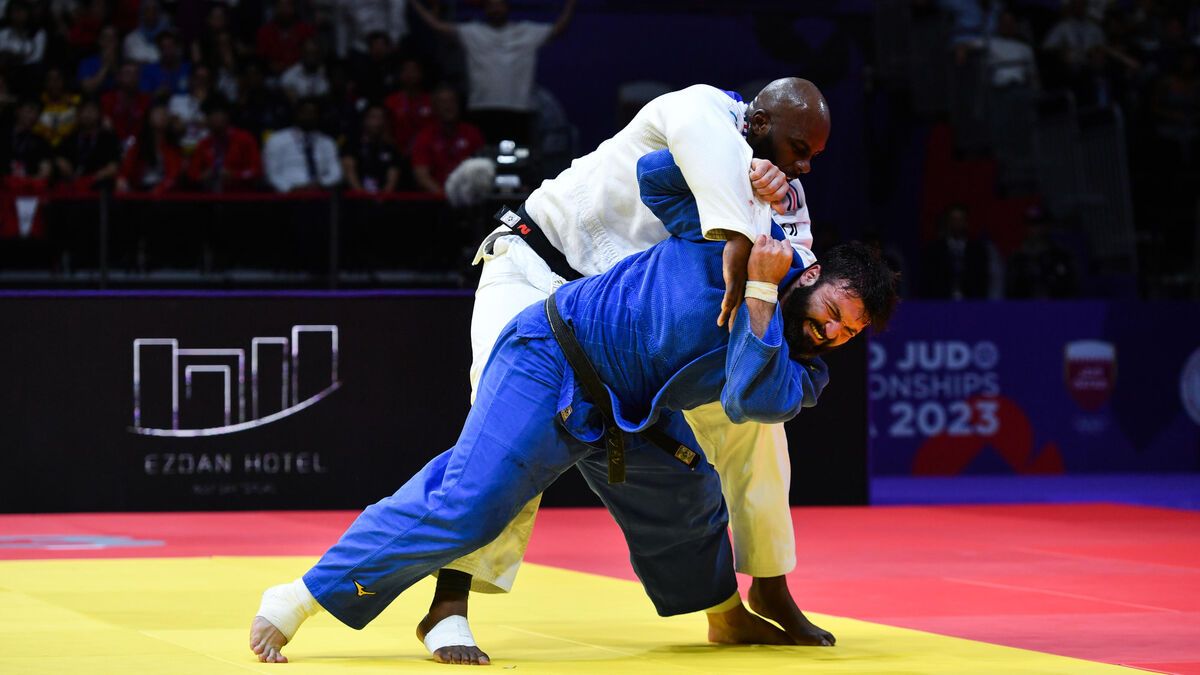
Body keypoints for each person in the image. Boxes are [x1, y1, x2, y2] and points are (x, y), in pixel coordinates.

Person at [249, 147, 899, 664]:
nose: (832, 334)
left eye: (848, 334)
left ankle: (725, 617)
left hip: (627, 412)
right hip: (551, 357)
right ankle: (299, 597)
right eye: (834, 314)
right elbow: (656, 179)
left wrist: (758, 294)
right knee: (471, 502)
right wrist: (730, 174)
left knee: (690, 493)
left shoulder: (802, 366)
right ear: (812, 275)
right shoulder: (734, 233)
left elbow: (752, 396)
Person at [408, 79, 830, 665]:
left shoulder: (786, 193)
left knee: (754, 426)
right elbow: (700, 150)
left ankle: (767, 586)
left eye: (813, 155)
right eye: (798, 147)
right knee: (505, 431)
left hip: (622, 327)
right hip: (536, 272)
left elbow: (800, 273)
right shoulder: (702, 107)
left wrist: (776, 208)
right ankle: (448, 604)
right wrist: (744, 216)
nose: (805, 165)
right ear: (758, 122)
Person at [411, 0, 575, 145]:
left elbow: (559, 29)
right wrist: (414, 3)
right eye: (491, 5)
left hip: (519, 109)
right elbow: (437, 25)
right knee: (482, 163)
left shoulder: (526, 32)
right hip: (482, 109)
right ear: (485, 9)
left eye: (499, 4)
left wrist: (571, 3)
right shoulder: (472, 32)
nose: (495, 9)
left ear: (507, 7)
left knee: (520, 163)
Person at [410, 86, 484, 197]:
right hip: (436, 201)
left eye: (452, 101)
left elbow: (482, 170)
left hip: (470, 199)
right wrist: (445, 196)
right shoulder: (424, 137)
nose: (448, 106)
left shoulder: (472, 133)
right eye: (443, 102)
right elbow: (422, 176)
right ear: (434, 107)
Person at [262, 98, 341, 192]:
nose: (309, 116)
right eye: (305, 112)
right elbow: (272, 173)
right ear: (296, 114)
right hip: (287, 196)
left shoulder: (327, 142)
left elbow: (336, 172)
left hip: (321, 194)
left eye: (313, 113)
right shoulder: (277, 140)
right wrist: (290, 189)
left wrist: (322, 184)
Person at [186, 97, 262, 192]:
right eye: (212, 115)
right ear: (207, 119)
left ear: (227, 116)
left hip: (241, 197)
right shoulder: (204, 144)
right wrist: (203, 176)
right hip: (210, 198)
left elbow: (256, 172)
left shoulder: (245, 139)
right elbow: (192, 174)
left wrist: (235, 175)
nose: (216, 118)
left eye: (219, 114)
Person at [53, 98, 119, 191]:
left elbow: (114, 166)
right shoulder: (71, 137)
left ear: (99, 114)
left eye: (92, 110)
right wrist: (61, 163)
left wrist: (94, 178)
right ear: (79, 114)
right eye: (84, 110)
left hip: (98, 184)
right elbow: (58, 156)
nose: (88, 114)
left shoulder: (108, 138)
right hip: (72, 183)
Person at [117, 101, 182, 194]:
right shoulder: (140, 144)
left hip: (165, 192)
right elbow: (127, 168)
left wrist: (159, 189)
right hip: (140, 189)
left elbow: (174, 175)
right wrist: (121, 179)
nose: (162, 116)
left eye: (165, 113)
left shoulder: (173, 145)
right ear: (149, 117)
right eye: (158, 113)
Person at [341, 104, 401, 194]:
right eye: (374, 117)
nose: (378, 122)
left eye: (381, 117)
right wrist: (362, 196)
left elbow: (392, 177)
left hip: (383, 200)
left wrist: (382, 197)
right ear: (365, 120)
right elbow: (349, 170)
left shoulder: (391, 148)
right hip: (357, 199)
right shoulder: (352, 144)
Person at [256, 0, 316, 77]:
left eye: (287, 5)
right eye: (280, 6)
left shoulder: (306, 30)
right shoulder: (265, 32)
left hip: (302, 75)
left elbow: (311, 55)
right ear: (275, 8)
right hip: (272, 77)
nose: (284, 9)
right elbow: (262, 58)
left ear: (294, 8)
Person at [100, 62, 150, 142]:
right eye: (128, 73)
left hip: (138, 147)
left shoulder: (146, 100)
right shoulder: (107, 99)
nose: (132, 77)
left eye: (135, 74)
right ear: (119, 77)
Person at [279, 38, 329, 102]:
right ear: (302, 53)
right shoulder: (289, 77)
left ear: (319, 55)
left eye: (314, 53)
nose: (311, 58)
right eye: (308, 53)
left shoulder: (325, 75)